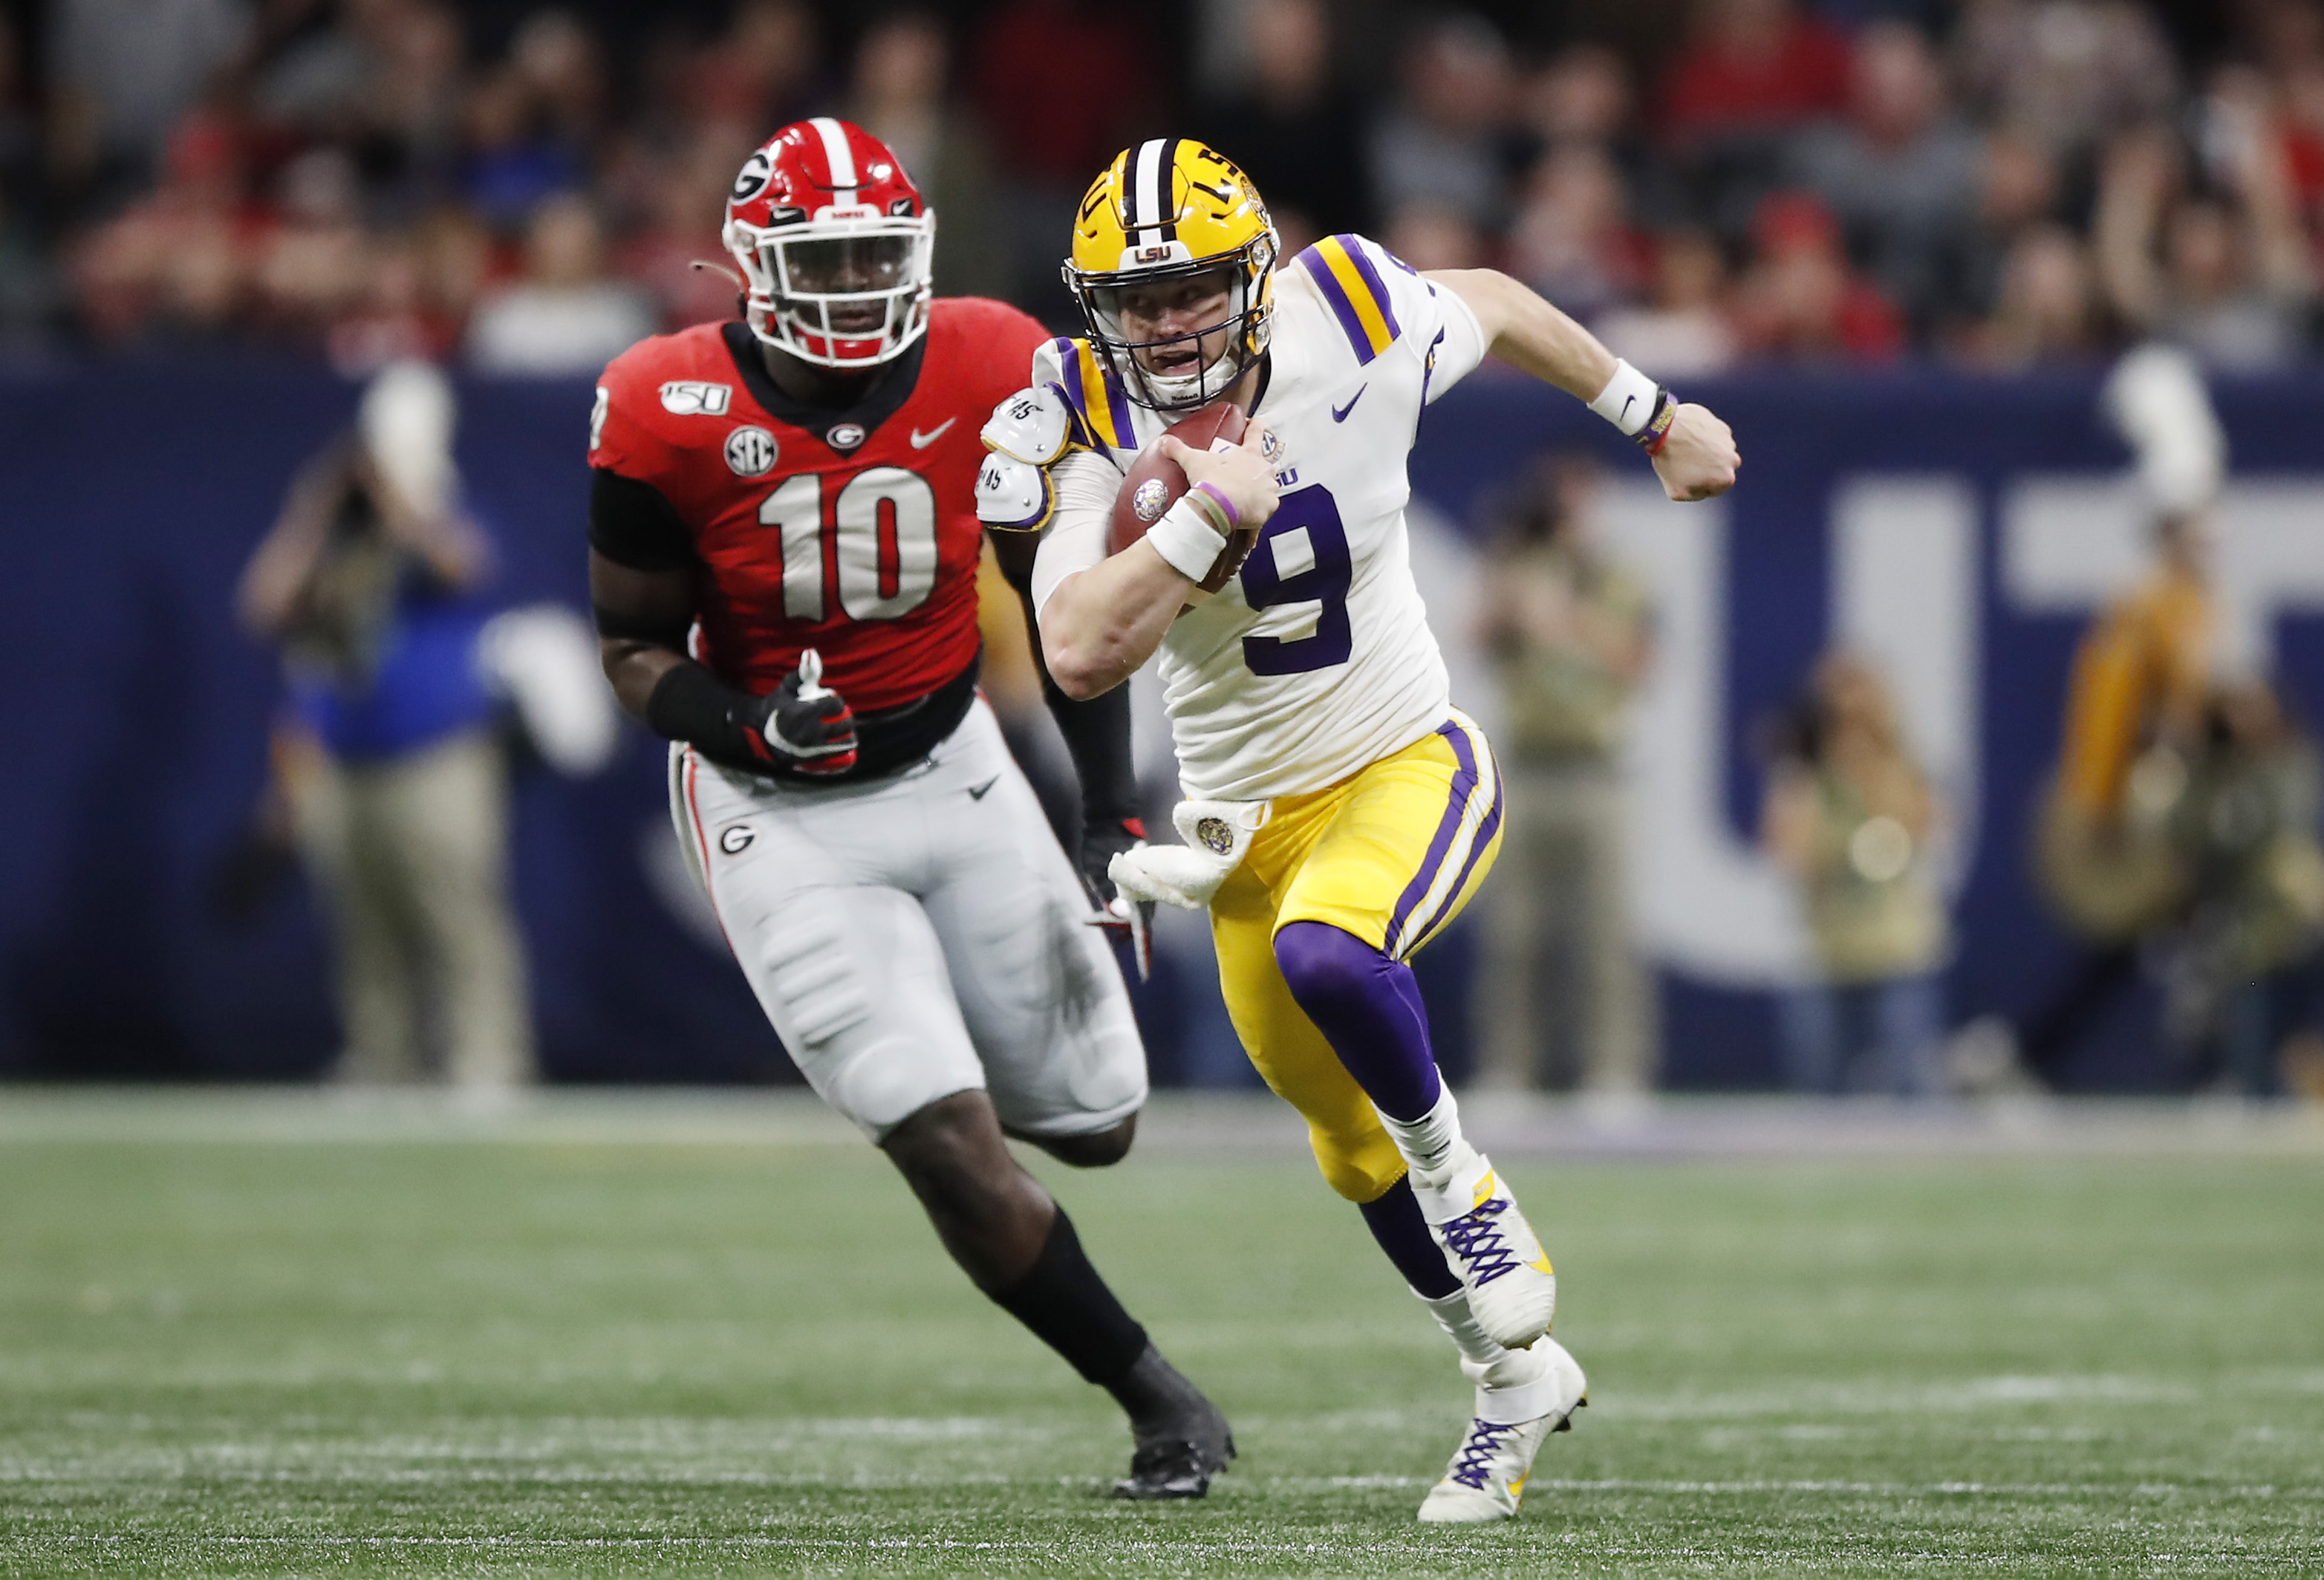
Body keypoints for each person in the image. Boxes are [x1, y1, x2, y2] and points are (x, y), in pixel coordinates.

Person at [978, 140, 1738, 1521]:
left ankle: (1471, 1181)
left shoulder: (1350, 309)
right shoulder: (1082, 405)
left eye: (1192, 289)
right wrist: (1201, 516)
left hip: (1402, 763)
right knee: (1342, 1146)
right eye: (1133, 300)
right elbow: (1077, 650)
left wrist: (1648, 411)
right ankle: (1506, 1382)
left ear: (1253, 280)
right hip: (1239, 833)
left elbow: (1497, 300)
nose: (1160, 325)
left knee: (1337, 959)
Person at [584, 120, 1229, 1500]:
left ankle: (946, 1060)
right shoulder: (660, 402)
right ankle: (1151, 1393)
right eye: (827, 258)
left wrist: (1104, 815)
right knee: (941, 1133)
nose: (861, 282)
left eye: (881, 251)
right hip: (781, 811)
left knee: (1101, 1119)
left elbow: (1068, 616)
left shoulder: (992, 358)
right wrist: (741, 718)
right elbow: (631, 651)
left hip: (957, 765)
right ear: (752, 268)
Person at [238, 360, 533, 1090]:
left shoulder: (445, 512)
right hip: (340, 749)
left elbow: (465, 565)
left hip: (436, 749)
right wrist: (315, 512)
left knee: (458, 911)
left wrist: (400, 502)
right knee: (360, 924)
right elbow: (264, 608)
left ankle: (486, 1062)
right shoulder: (334, 538)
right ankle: (381, 1060)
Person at [1470, 452, 1658, 1096]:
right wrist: (1509, 583)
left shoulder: (1616, 579)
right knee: (1514, 932)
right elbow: (1476, 636)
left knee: (1602, 932)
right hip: (1524, 763)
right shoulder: (1518, 569)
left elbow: (1637, 665)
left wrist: (1567, 620)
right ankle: (1509, 1068)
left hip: (1593, 766)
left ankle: (1612, 1071)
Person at [1760, 652, 1950, 1096]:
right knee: (1821, 1092)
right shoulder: (1804, 780)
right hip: (1828, 954)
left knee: (1912, 1086)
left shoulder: (1901, 768)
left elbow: (1922, 828)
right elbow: (1791, 856)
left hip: (1896, 952)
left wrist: (1876, 760)